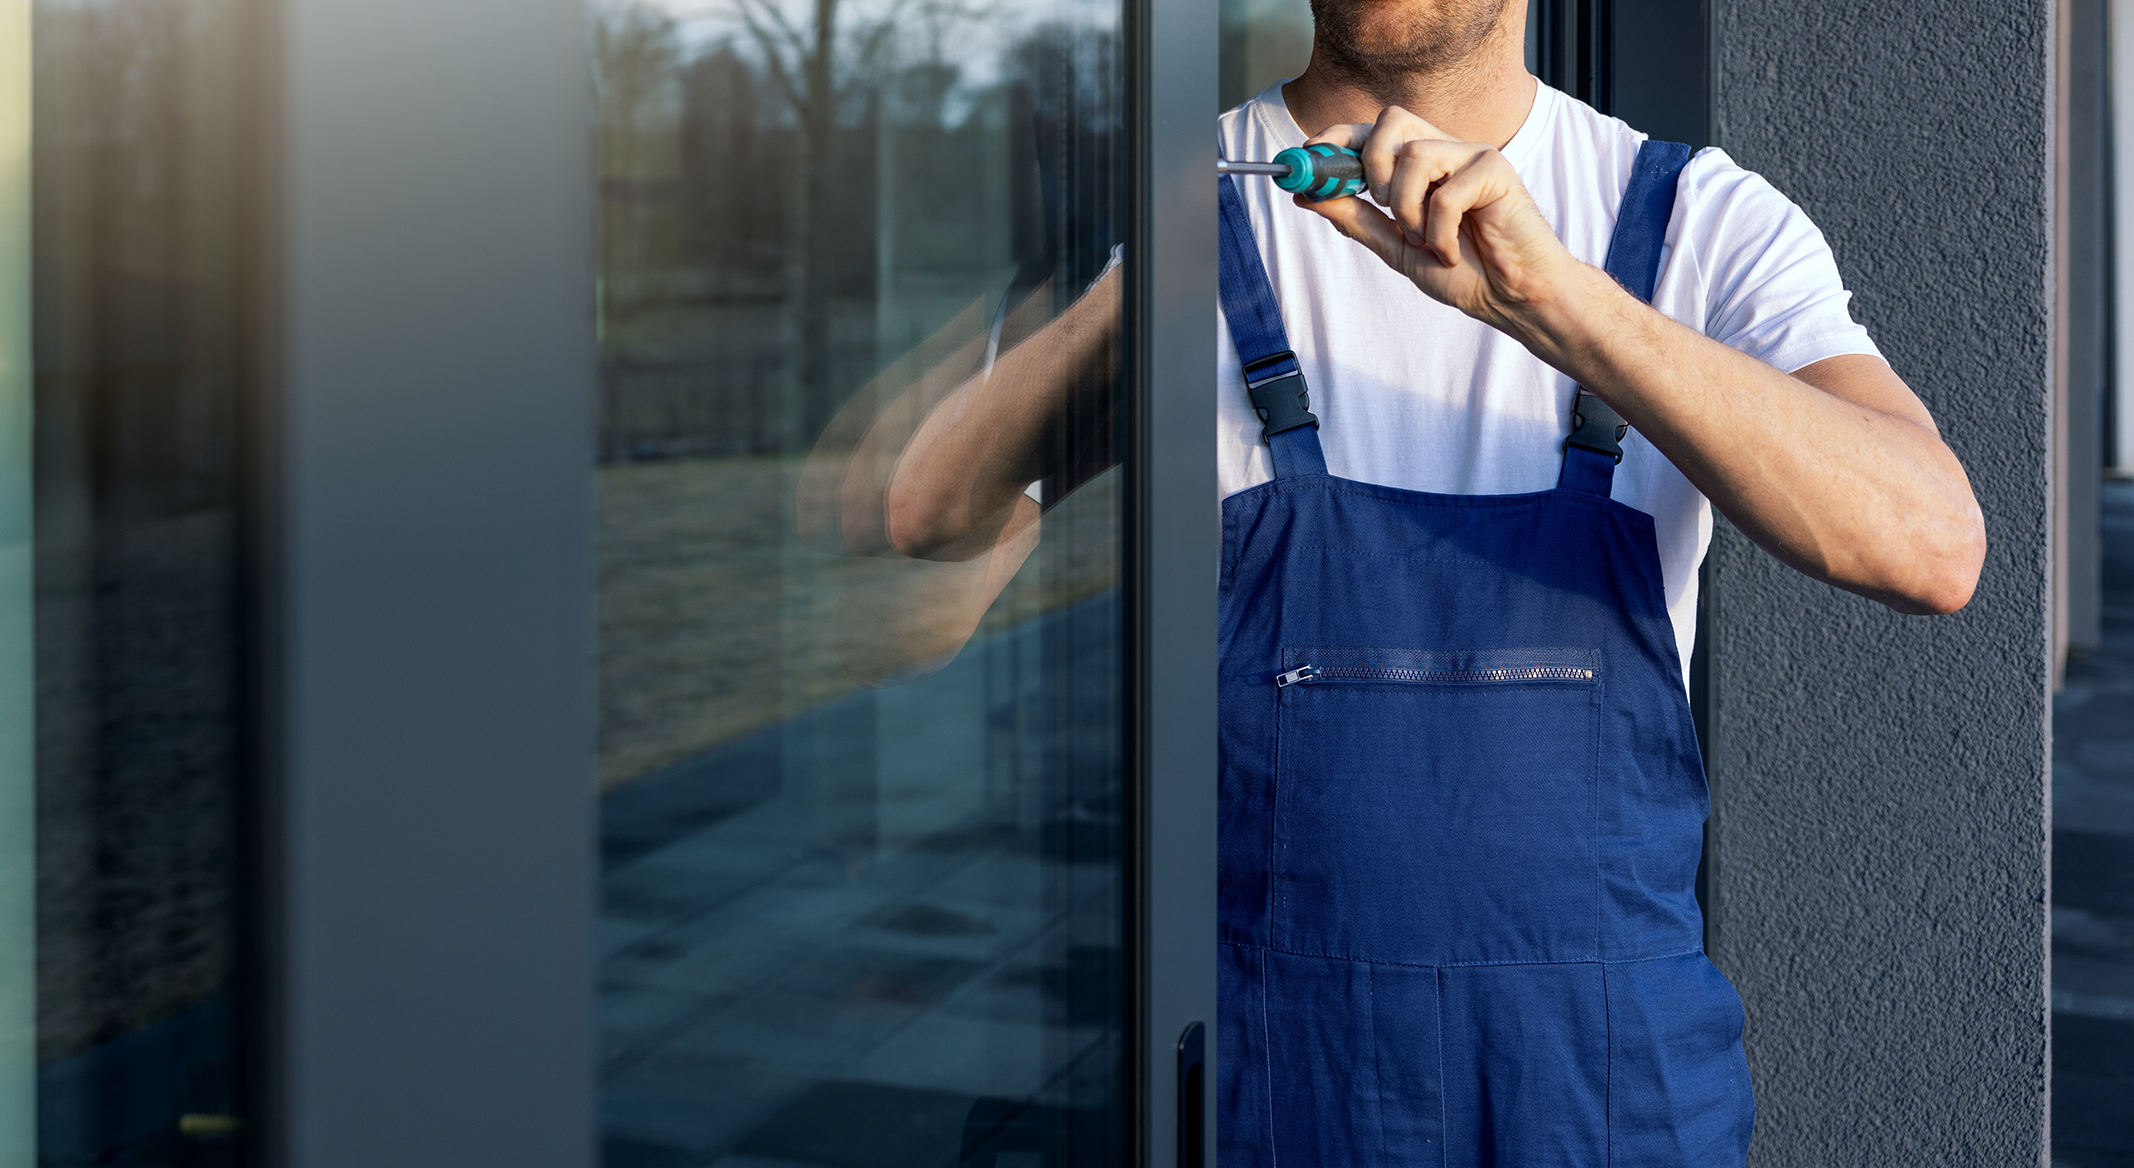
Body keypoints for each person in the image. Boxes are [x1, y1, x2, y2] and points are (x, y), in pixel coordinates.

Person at [850, 0, 1986, 1161]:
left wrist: (1556, 301)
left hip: (1603, 1090)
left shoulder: (1695, 217)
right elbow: (929, 525)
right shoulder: (1186, 199)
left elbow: (1931, 544)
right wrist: (1136, 270)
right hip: (1271, 1075)